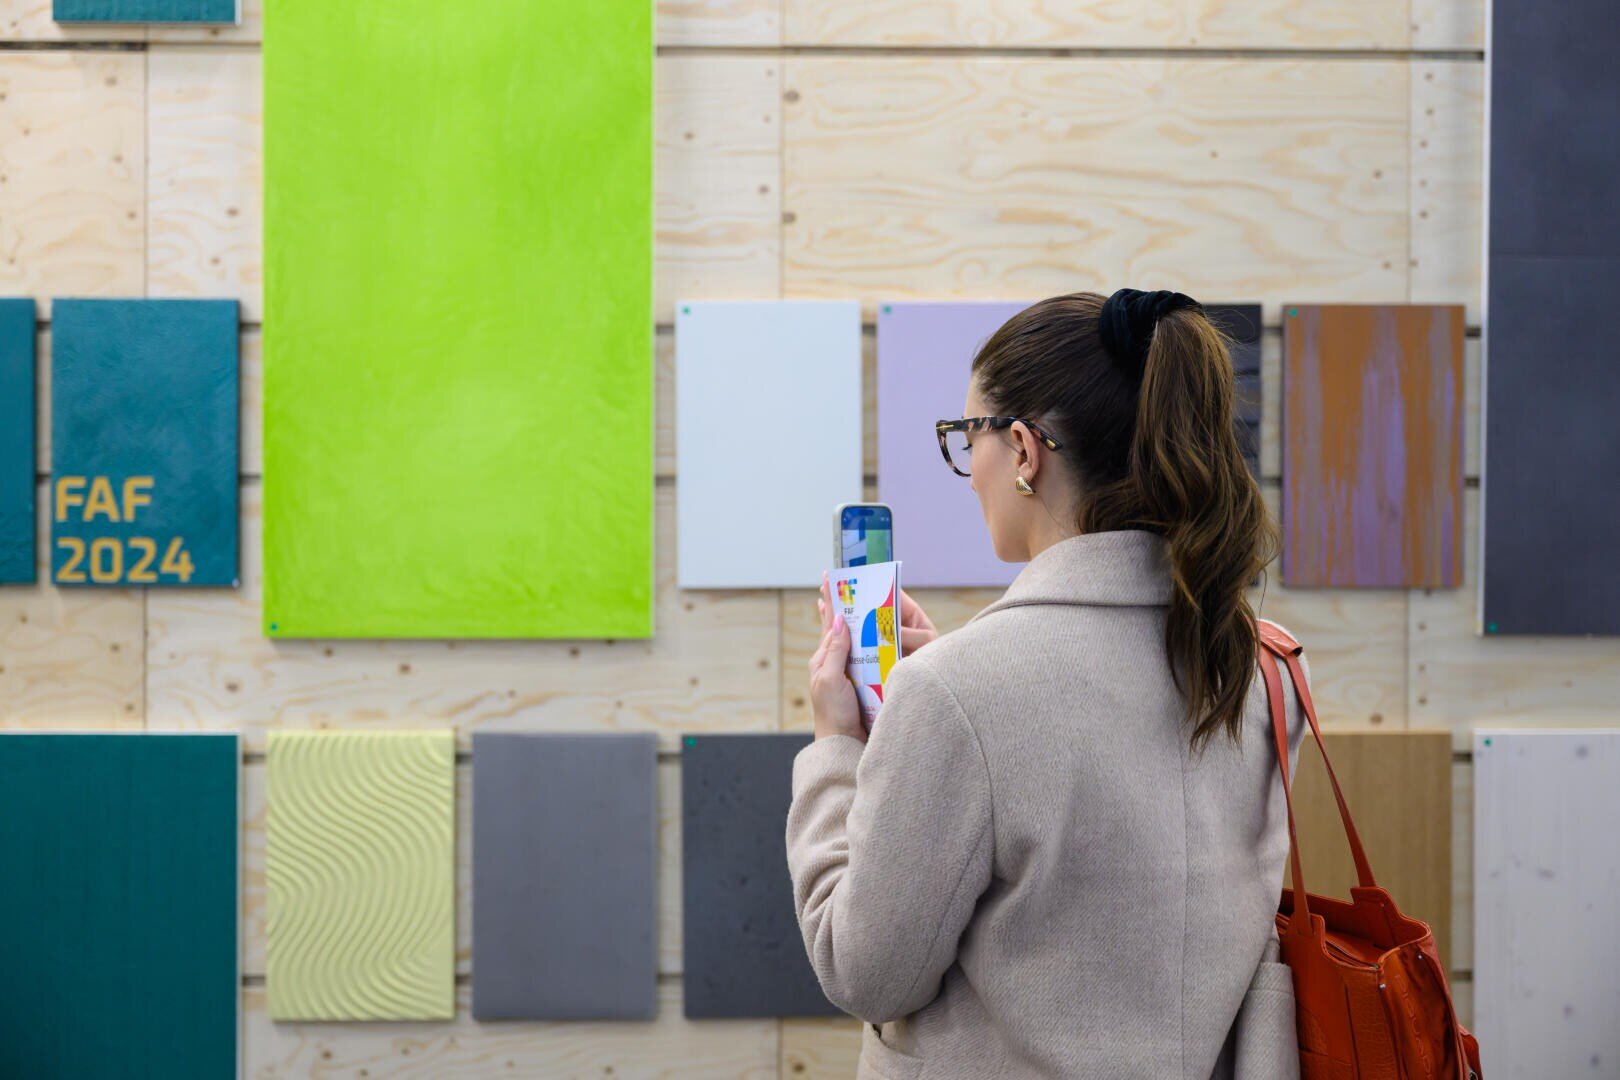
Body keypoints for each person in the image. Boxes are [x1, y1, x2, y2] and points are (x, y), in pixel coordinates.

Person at [787, 289, 1308, 1079]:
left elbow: (864, 972)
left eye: (970, 437)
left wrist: (837, 748)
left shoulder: (957, 694)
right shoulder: (1264, 667)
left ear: (1025, 450)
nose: (969, 475)